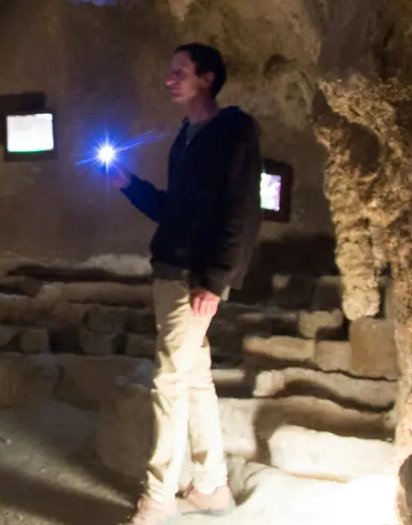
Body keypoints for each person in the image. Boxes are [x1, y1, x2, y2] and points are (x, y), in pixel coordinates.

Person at [106, 43, 262, 522]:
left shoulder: (232, 131)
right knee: (193, 381)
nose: (170, 79)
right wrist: (129, 185)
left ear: (208, 78)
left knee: (169, 382)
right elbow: (177, 210)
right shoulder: (187, 136)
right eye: (170, 71)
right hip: (172, 270)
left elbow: (240, 211)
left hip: (194, 278)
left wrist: (215, 281)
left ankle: (158, 498)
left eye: (181, 72)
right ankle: (211, 485)